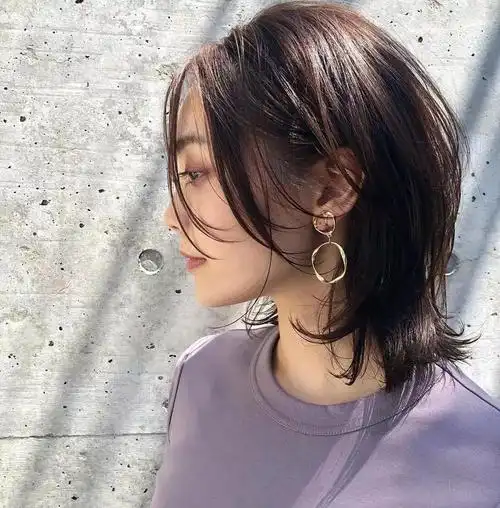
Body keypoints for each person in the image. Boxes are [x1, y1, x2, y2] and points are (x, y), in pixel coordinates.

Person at [151, 2, 500, 507]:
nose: (171, 215)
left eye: (196, 173)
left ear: (333, 188)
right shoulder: (200, 377)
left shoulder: (481, 462)